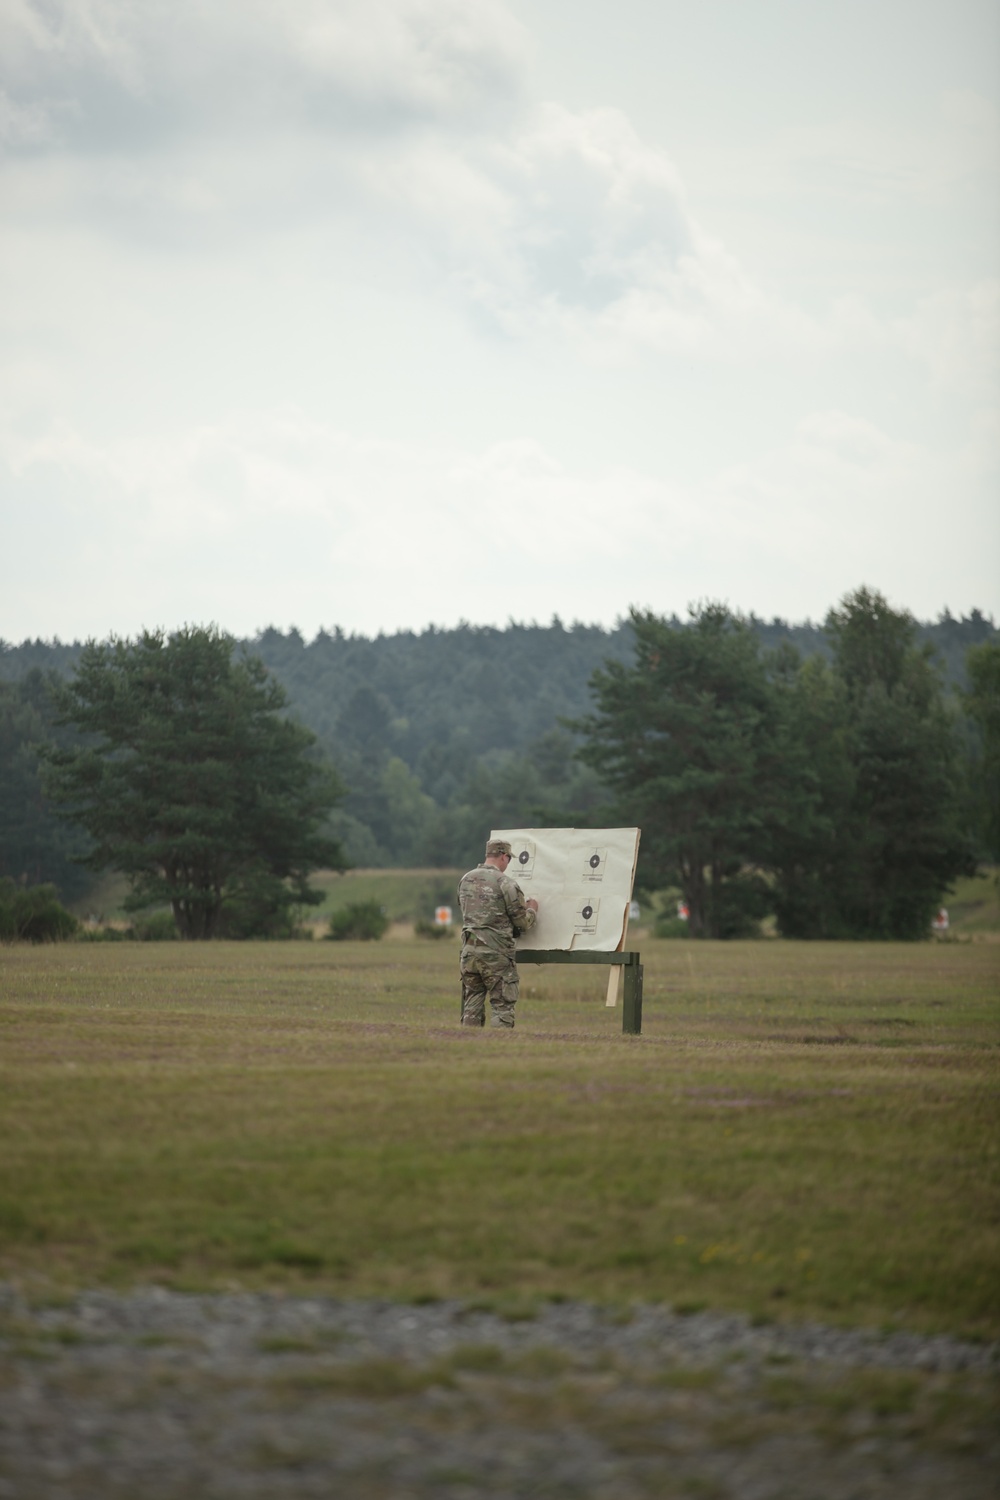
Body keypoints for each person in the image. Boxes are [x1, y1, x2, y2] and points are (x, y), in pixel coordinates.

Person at [458, 839, 539, 1028]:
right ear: (504, 856)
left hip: (468, 952)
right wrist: (533, 910)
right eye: (509, 859)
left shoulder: (466, 879)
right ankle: (499, 1048)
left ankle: (467, 1046)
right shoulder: (506, 883)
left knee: (471, 1006)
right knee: (502, 1007)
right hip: (496, 955)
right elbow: (522, 923)